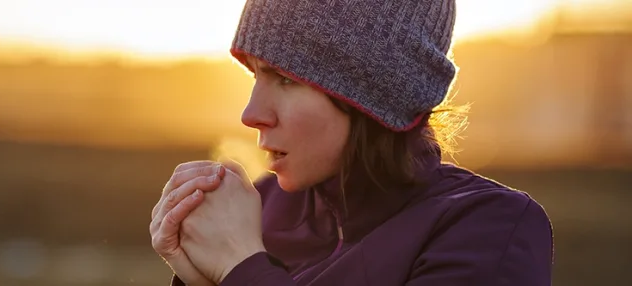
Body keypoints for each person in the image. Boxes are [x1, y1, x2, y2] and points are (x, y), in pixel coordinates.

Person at [149, 0, 554, 285]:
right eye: (255, 75)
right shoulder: (265, 207)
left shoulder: (488, 230)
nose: (251, 113)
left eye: (286, 79)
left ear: (369, 92)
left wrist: (242, 268)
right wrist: (201, 277)